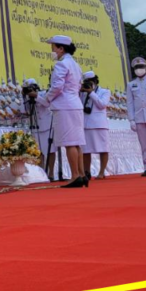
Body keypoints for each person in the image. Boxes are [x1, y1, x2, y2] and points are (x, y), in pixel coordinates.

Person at [42, 35, 87, 188]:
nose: (52, 51)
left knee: (70, 143)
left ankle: (75, 175)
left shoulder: (61, 64)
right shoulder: (75, 64)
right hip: (75, 104)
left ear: (61, 48)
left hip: (64, 105)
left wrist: (47, 98)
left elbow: (57, 87)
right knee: (77, 142)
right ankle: (80, 174)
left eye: (53, 48)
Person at [20, 79, 56, 180]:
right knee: (38, 152)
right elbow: (24, 111)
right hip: (35, 127)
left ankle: (51, 173)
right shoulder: (26, 97)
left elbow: (47, 104)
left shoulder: (44, 93)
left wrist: (36, 96)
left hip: (47, 126)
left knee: (50, 151)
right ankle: (42, 173)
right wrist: (23, 96)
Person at [81, 71, 111, 180]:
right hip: (85, 124)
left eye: (90, 82)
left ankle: (102, 172)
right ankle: (86, 172)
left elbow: (102, 104)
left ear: (95, 81)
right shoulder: (82, 92)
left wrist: (91, 93)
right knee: (85, 150)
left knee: (103, 149)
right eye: (86, 82)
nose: (88, 84)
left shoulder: (104, 91)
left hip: (99, 124)